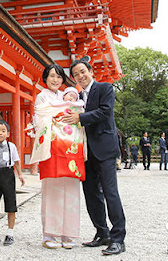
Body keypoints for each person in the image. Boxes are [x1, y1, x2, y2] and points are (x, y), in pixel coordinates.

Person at [63, 59, 126, 256]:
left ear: (90, 71)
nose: (81, 76)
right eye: (76, 75)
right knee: (91, 194)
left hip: (104, 150)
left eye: (83, 72)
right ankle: (102, 233)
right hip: (85, 152)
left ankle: (118, 239)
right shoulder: (76, 97)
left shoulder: (105, 88)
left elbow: (105, 112)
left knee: (110, 193)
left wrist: (80, 118)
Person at [31, 64, 84, 250]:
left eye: (59, 77)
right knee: (52, 191)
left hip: (69, 149)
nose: (56, 80)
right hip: (52, 148)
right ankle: (50, 234)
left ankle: (69, 233)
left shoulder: (67, 97)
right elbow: (39, 118)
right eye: (52, 76)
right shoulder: (42, 96)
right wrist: (58, 116)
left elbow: (77, 114)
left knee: (71, 190)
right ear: (45, 78)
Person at [0, 119, 26, 245]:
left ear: (7, 134)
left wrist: (20, 175)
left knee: (11, 204)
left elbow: (17, 161)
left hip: (8, 175)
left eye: (3, 131)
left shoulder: (11, 146)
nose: (0, 133)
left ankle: (10, 233)